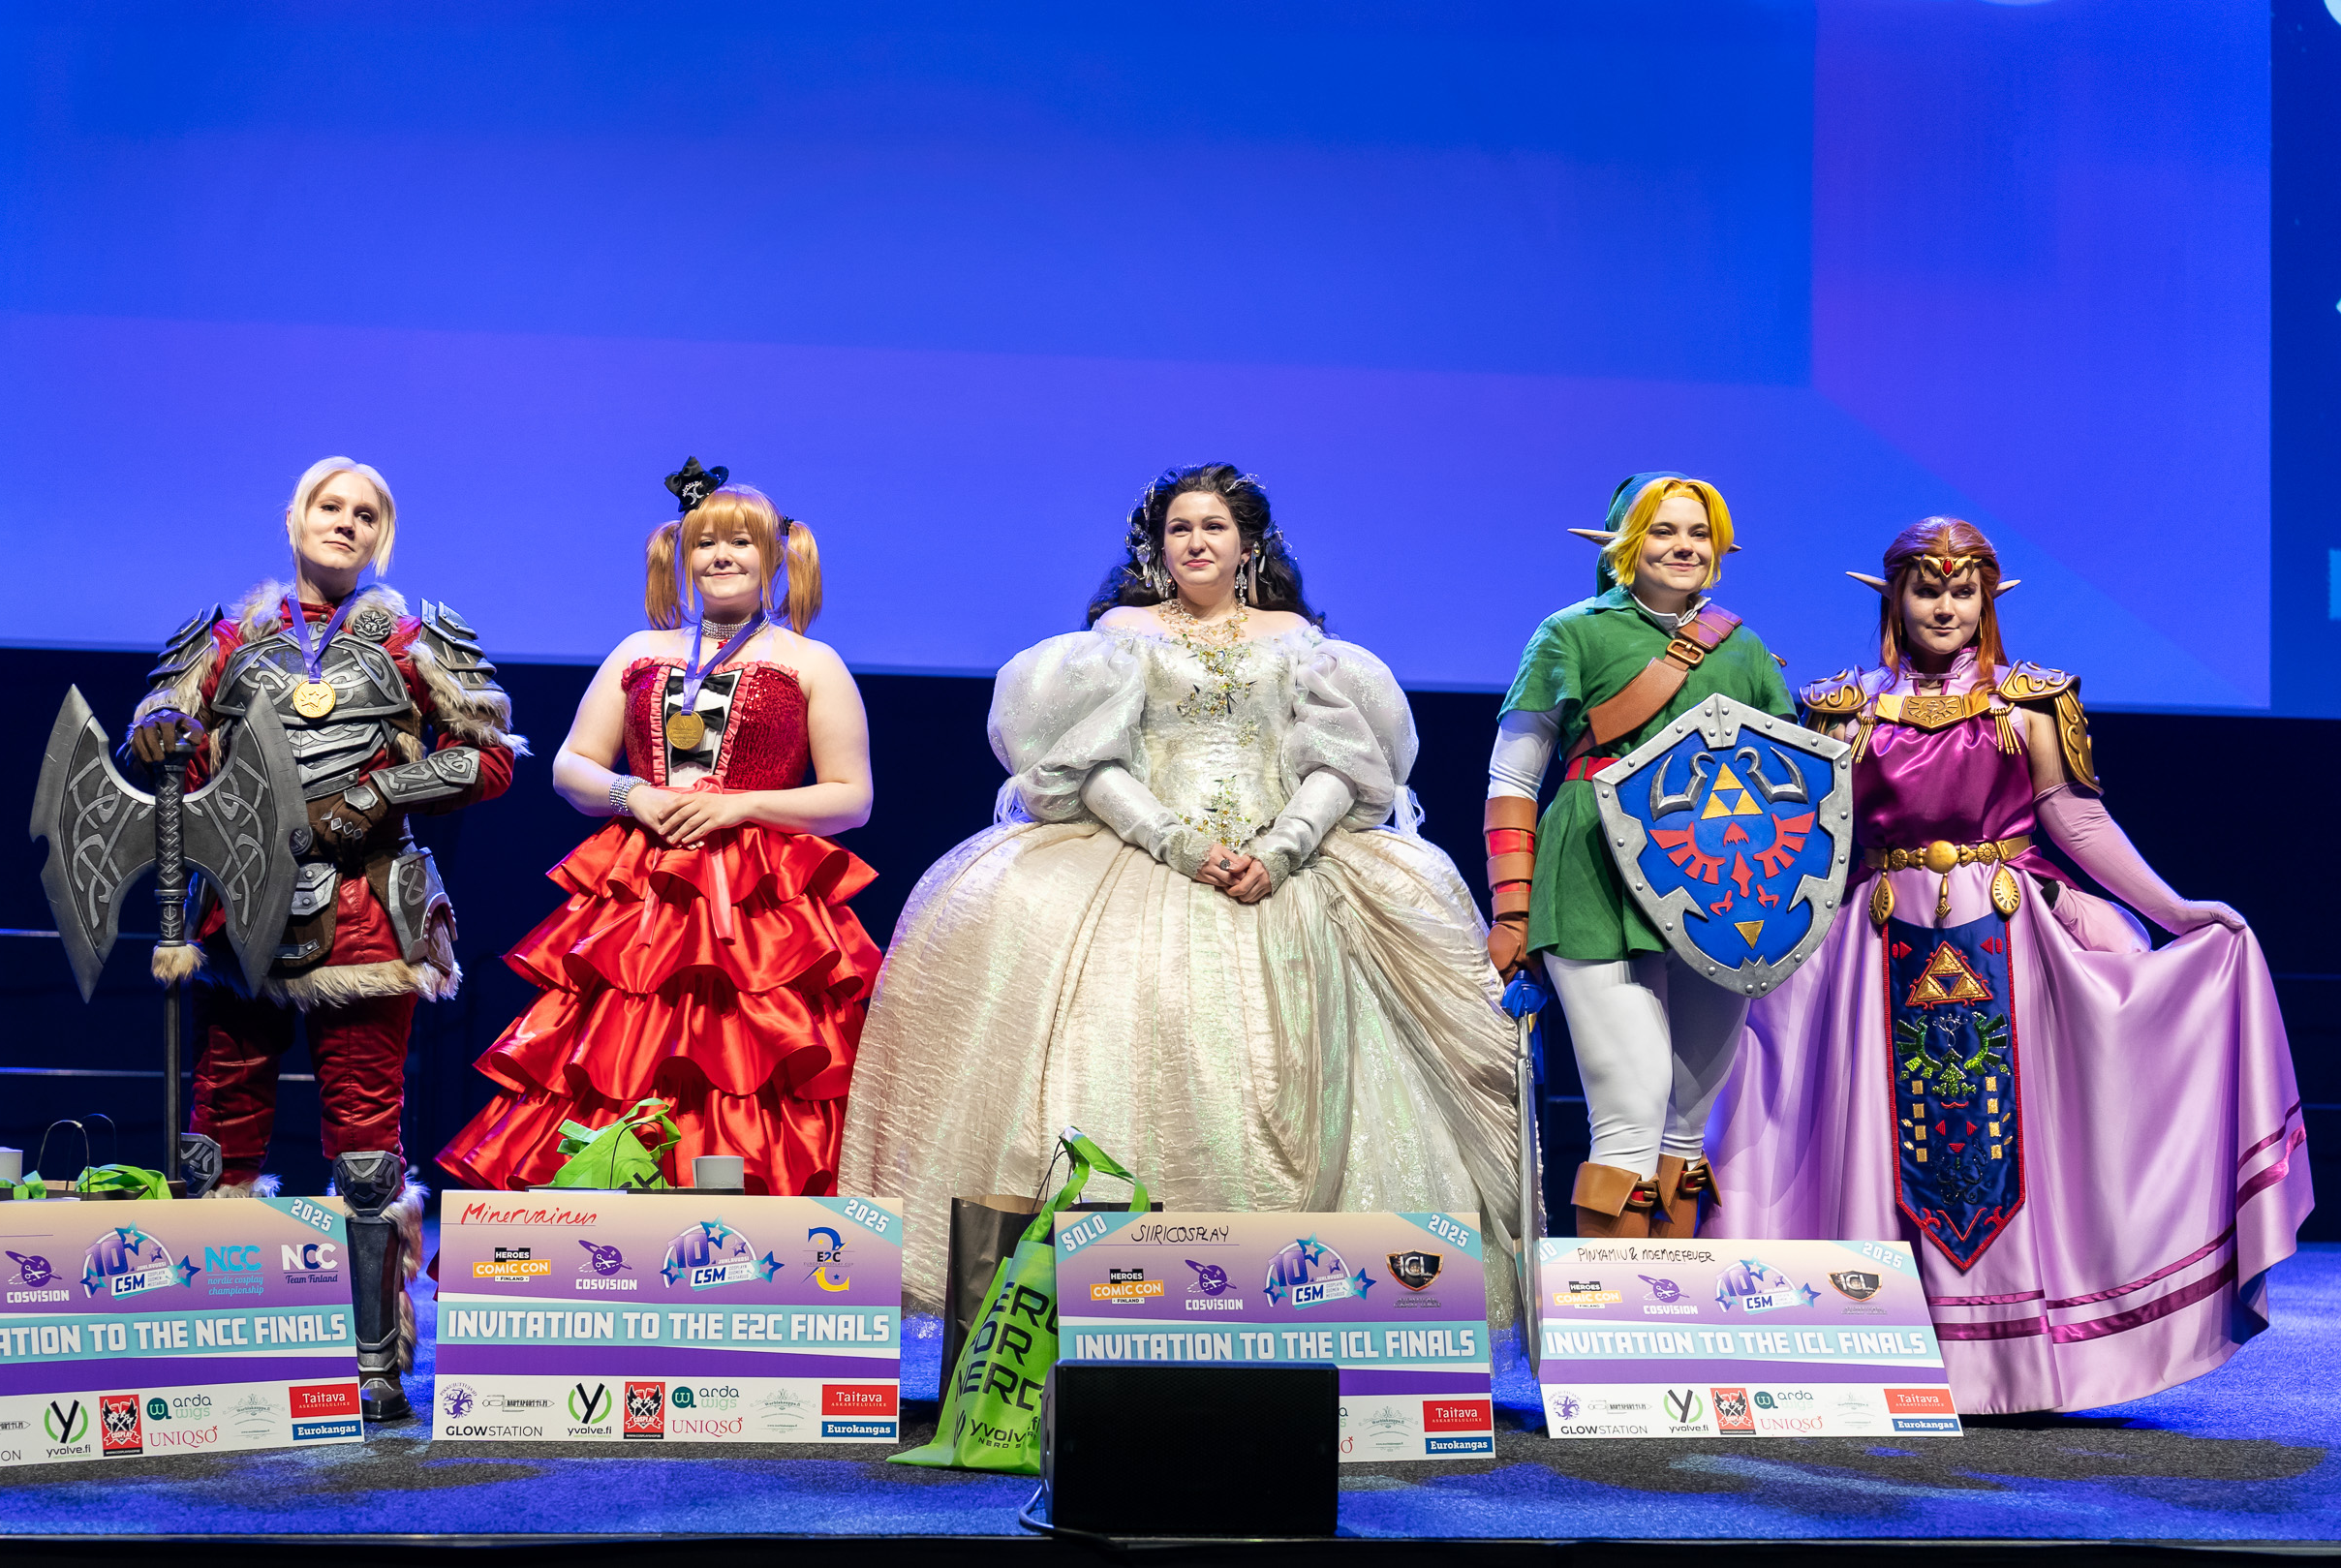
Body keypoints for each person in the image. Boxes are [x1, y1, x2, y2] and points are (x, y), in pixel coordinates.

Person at [840, 464, 1528, 1312]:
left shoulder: (1301, 641)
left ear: (1248, 544)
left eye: (1213, 526)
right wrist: (1176, 842)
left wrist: (1283, 849)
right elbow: (1084, 763)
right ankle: (1121, 1286)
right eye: (1179, 528)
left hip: (1287, 861)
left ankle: (1337, 1294)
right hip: (1144, 851)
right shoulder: (1118, 637)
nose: (1196, 542)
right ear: (1156, 546)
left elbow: (1343, 763)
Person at [1704, 516, 2311, 1415]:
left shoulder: (2029, 701)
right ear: (1895, 598)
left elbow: (2079, 822)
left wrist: (2176, 910)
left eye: (1962, 590)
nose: (1945, 605)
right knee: (1857, 1132)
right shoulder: (1841, 708)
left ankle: (2015, 1363)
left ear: (1986, 600)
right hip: (1874, 945)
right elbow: (1810, 846)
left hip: (2004, 938)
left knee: (2008, 1142)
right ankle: (1885, 1349)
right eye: (1927, 588)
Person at [127, 456, 523, 1419]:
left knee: (365, 1144)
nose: (344, 522)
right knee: (218, 1136)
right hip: (242, 918)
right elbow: (171, 745)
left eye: (365, 513)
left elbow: (489, 757)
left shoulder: (416, 638)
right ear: (294, 517)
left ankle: (375, 1364)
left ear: (381, 535)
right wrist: (164, 735)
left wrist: (381, 792)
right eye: (329, 506)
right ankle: (217, 1343)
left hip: (367, 914)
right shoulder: (225, 637)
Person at [437, 463, 879, 1200]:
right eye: (706, 543)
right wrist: (631, 793)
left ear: (776, 554)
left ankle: (746, 1232)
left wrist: (740, 806)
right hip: (641, 893)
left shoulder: (811, 661)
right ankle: (601, 1235)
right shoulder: (639, 649)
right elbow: (571, 765)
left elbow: (851, 797)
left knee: (750, 1063)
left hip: (760, 908)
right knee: (618, 1056)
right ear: (683, 554)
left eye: (741, 541)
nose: (722, 556)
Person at [1484, 474, 1796, 1239]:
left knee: (1686, 1125)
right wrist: (1512, 909)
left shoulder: (1747, 647)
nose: (1684, 546)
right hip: (1595, 876)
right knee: (1631, 1105)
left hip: (1721, 884)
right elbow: (1513, 779)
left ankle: (1672, 1300)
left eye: (1699, 532)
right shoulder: (1570, 632)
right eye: (1663, 530)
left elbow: (1791, 783)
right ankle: (1610, 1307)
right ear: (1625, 542)